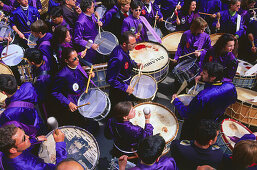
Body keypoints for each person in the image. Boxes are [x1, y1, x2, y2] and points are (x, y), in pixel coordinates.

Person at [172, 62, 237, 140]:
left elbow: (186, 113)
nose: (201, 73)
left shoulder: (202, 96)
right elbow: (233, 100)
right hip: (214, 123)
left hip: (195, 126)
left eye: (204, 73)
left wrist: (176, 101)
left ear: (213, 77)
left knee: (187, 143)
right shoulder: (230, 87)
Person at [51, 47, 96, 131]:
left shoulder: (77, 66)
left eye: (77, 57)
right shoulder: (62, 74)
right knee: (79, 124)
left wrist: (90, 76)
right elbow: (55, 92)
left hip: (83, 97)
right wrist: (68, 103)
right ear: (66, 61)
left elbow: (82, 82)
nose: (77, 60)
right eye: (74, 59)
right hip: (73, 101)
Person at [0, 124, 67, 169]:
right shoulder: (32, 167)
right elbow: (62, 168)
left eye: (24, 133)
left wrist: (35, 140)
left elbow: (19, 146)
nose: (28, 137)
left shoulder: (5, 149)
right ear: (13, 150)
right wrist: (60, 143)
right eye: (24, 138)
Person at [106, 31, 141, 108]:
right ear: (124, 44)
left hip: (125, 85)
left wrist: (135, 64)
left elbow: (128, 60)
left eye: (135, 43)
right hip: (119, 91)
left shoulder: (124, 49)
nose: (135, 46)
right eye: (132, 44)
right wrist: (125, 87)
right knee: (119, 111)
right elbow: (110, 79)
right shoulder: (118, 58)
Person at [24, 48, 51, 120]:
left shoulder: (41, 79)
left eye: (28, 61)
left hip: (45, 98)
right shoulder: (44, 58)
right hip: (44, 88)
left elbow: (40, 96)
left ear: (32, 63)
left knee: (45, 115)